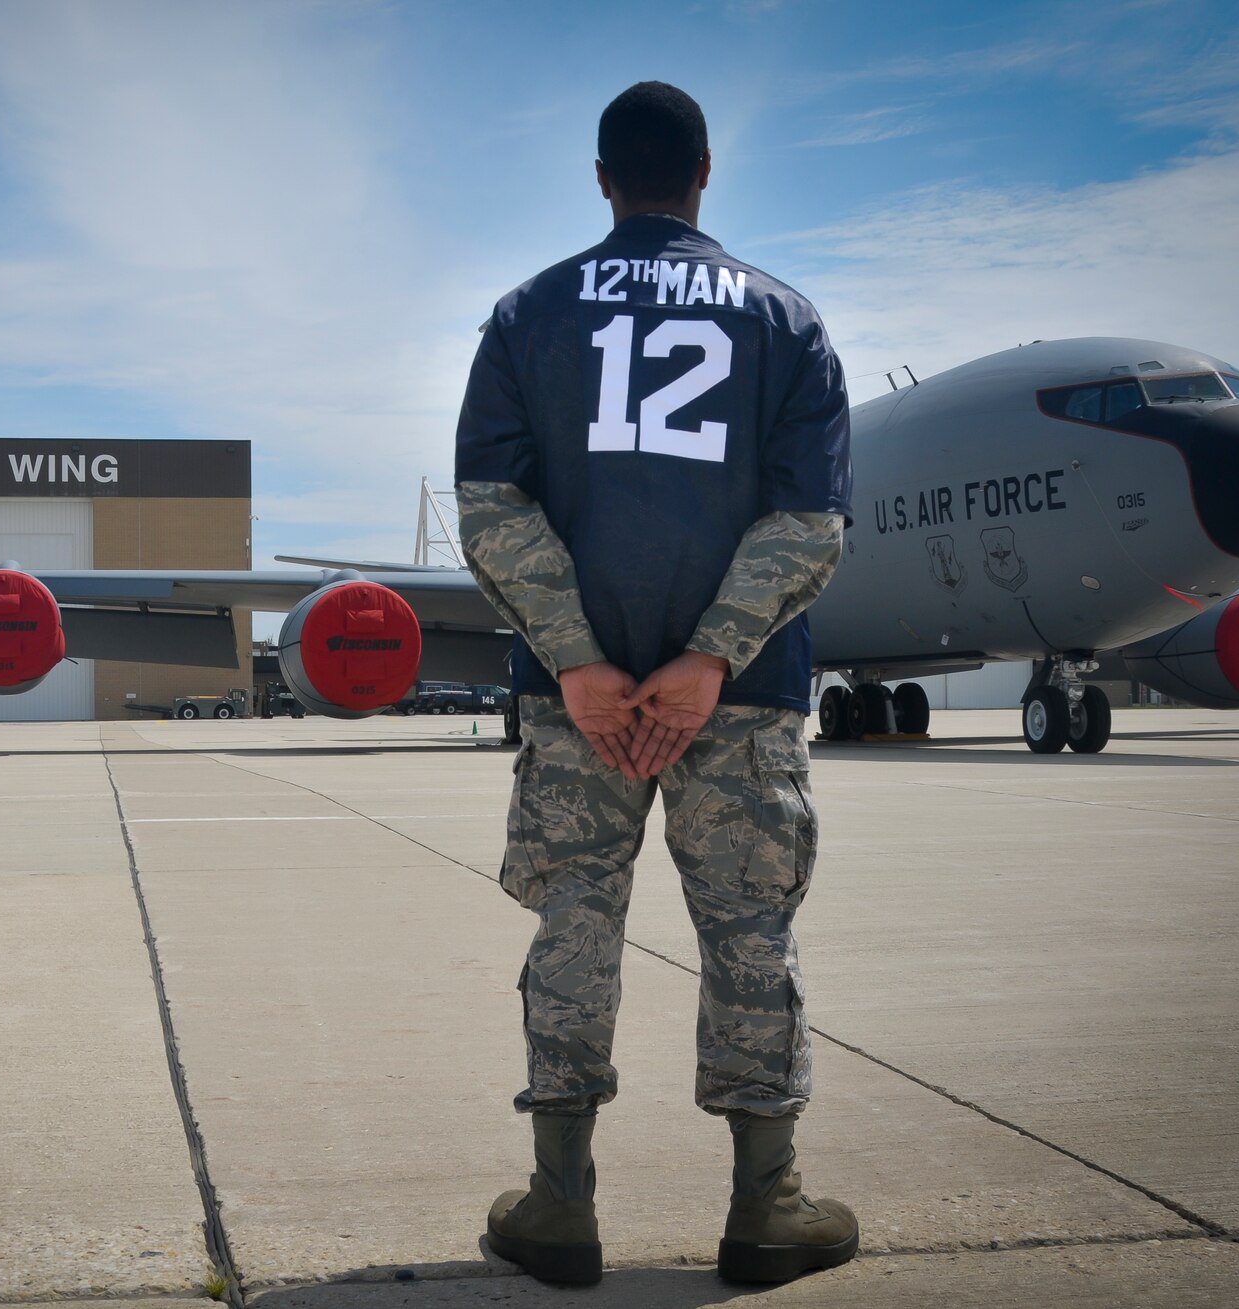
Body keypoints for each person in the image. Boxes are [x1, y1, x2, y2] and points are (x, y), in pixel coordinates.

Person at [453, 81, 856, 1286]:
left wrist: (578, 659)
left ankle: (559, 1204)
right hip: (740, 694)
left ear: (600, 177)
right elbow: (810, 520)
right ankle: (764, 1205)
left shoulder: (528, 313)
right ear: (703, 171)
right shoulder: (785, 319)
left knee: (575, 921)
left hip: (575, 703)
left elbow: (490, 509)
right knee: (749, 931)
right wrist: (706, 658)